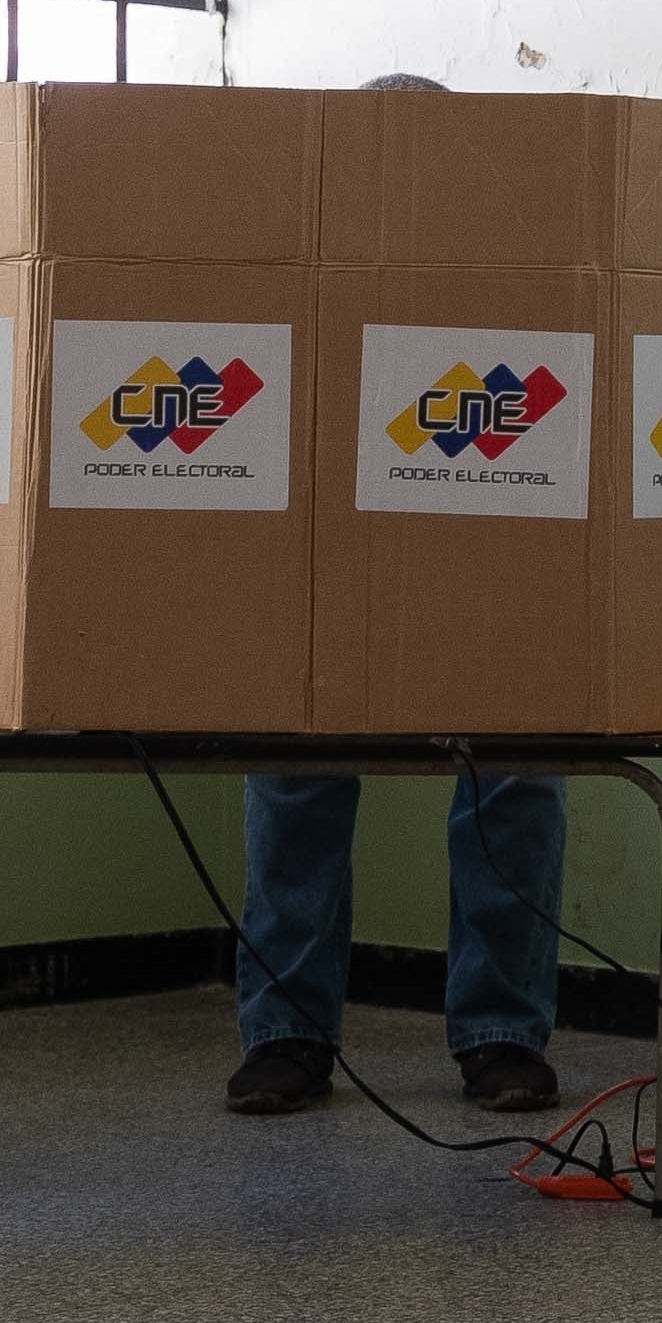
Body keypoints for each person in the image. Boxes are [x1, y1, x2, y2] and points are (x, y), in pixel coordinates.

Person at [221, 74, 576, 1125]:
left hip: (486, 586)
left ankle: (502, 1033)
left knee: (516, 772)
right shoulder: (295, 277)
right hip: (328, 589)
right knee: (292, 774)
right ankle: (284, 1035)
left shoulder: (516, 283)